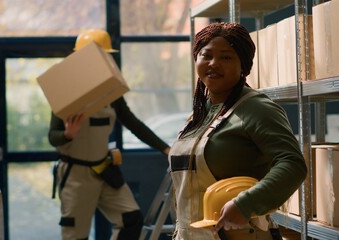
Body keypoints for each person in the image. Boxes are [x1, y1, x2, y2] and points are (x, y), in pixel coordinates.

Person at [168, 22, 307, 240]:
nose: (214, 63)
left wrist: (246, 204)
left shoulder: (257, 107)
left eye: (226, 57)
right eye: (206, 55)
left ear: (243, 65)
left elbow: (292, 164)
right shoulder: (199, 113)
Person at [48, 29, 170, 240]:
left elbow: (133, 123)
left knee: (131, 220)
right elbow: (52, 136)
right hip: (76, 175)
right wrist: (67, 134)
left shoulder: (110, 91)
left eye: (106, 55)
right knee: (75, 235)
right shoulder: (66, 91)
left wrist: (165, 148)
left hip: (104, 170)